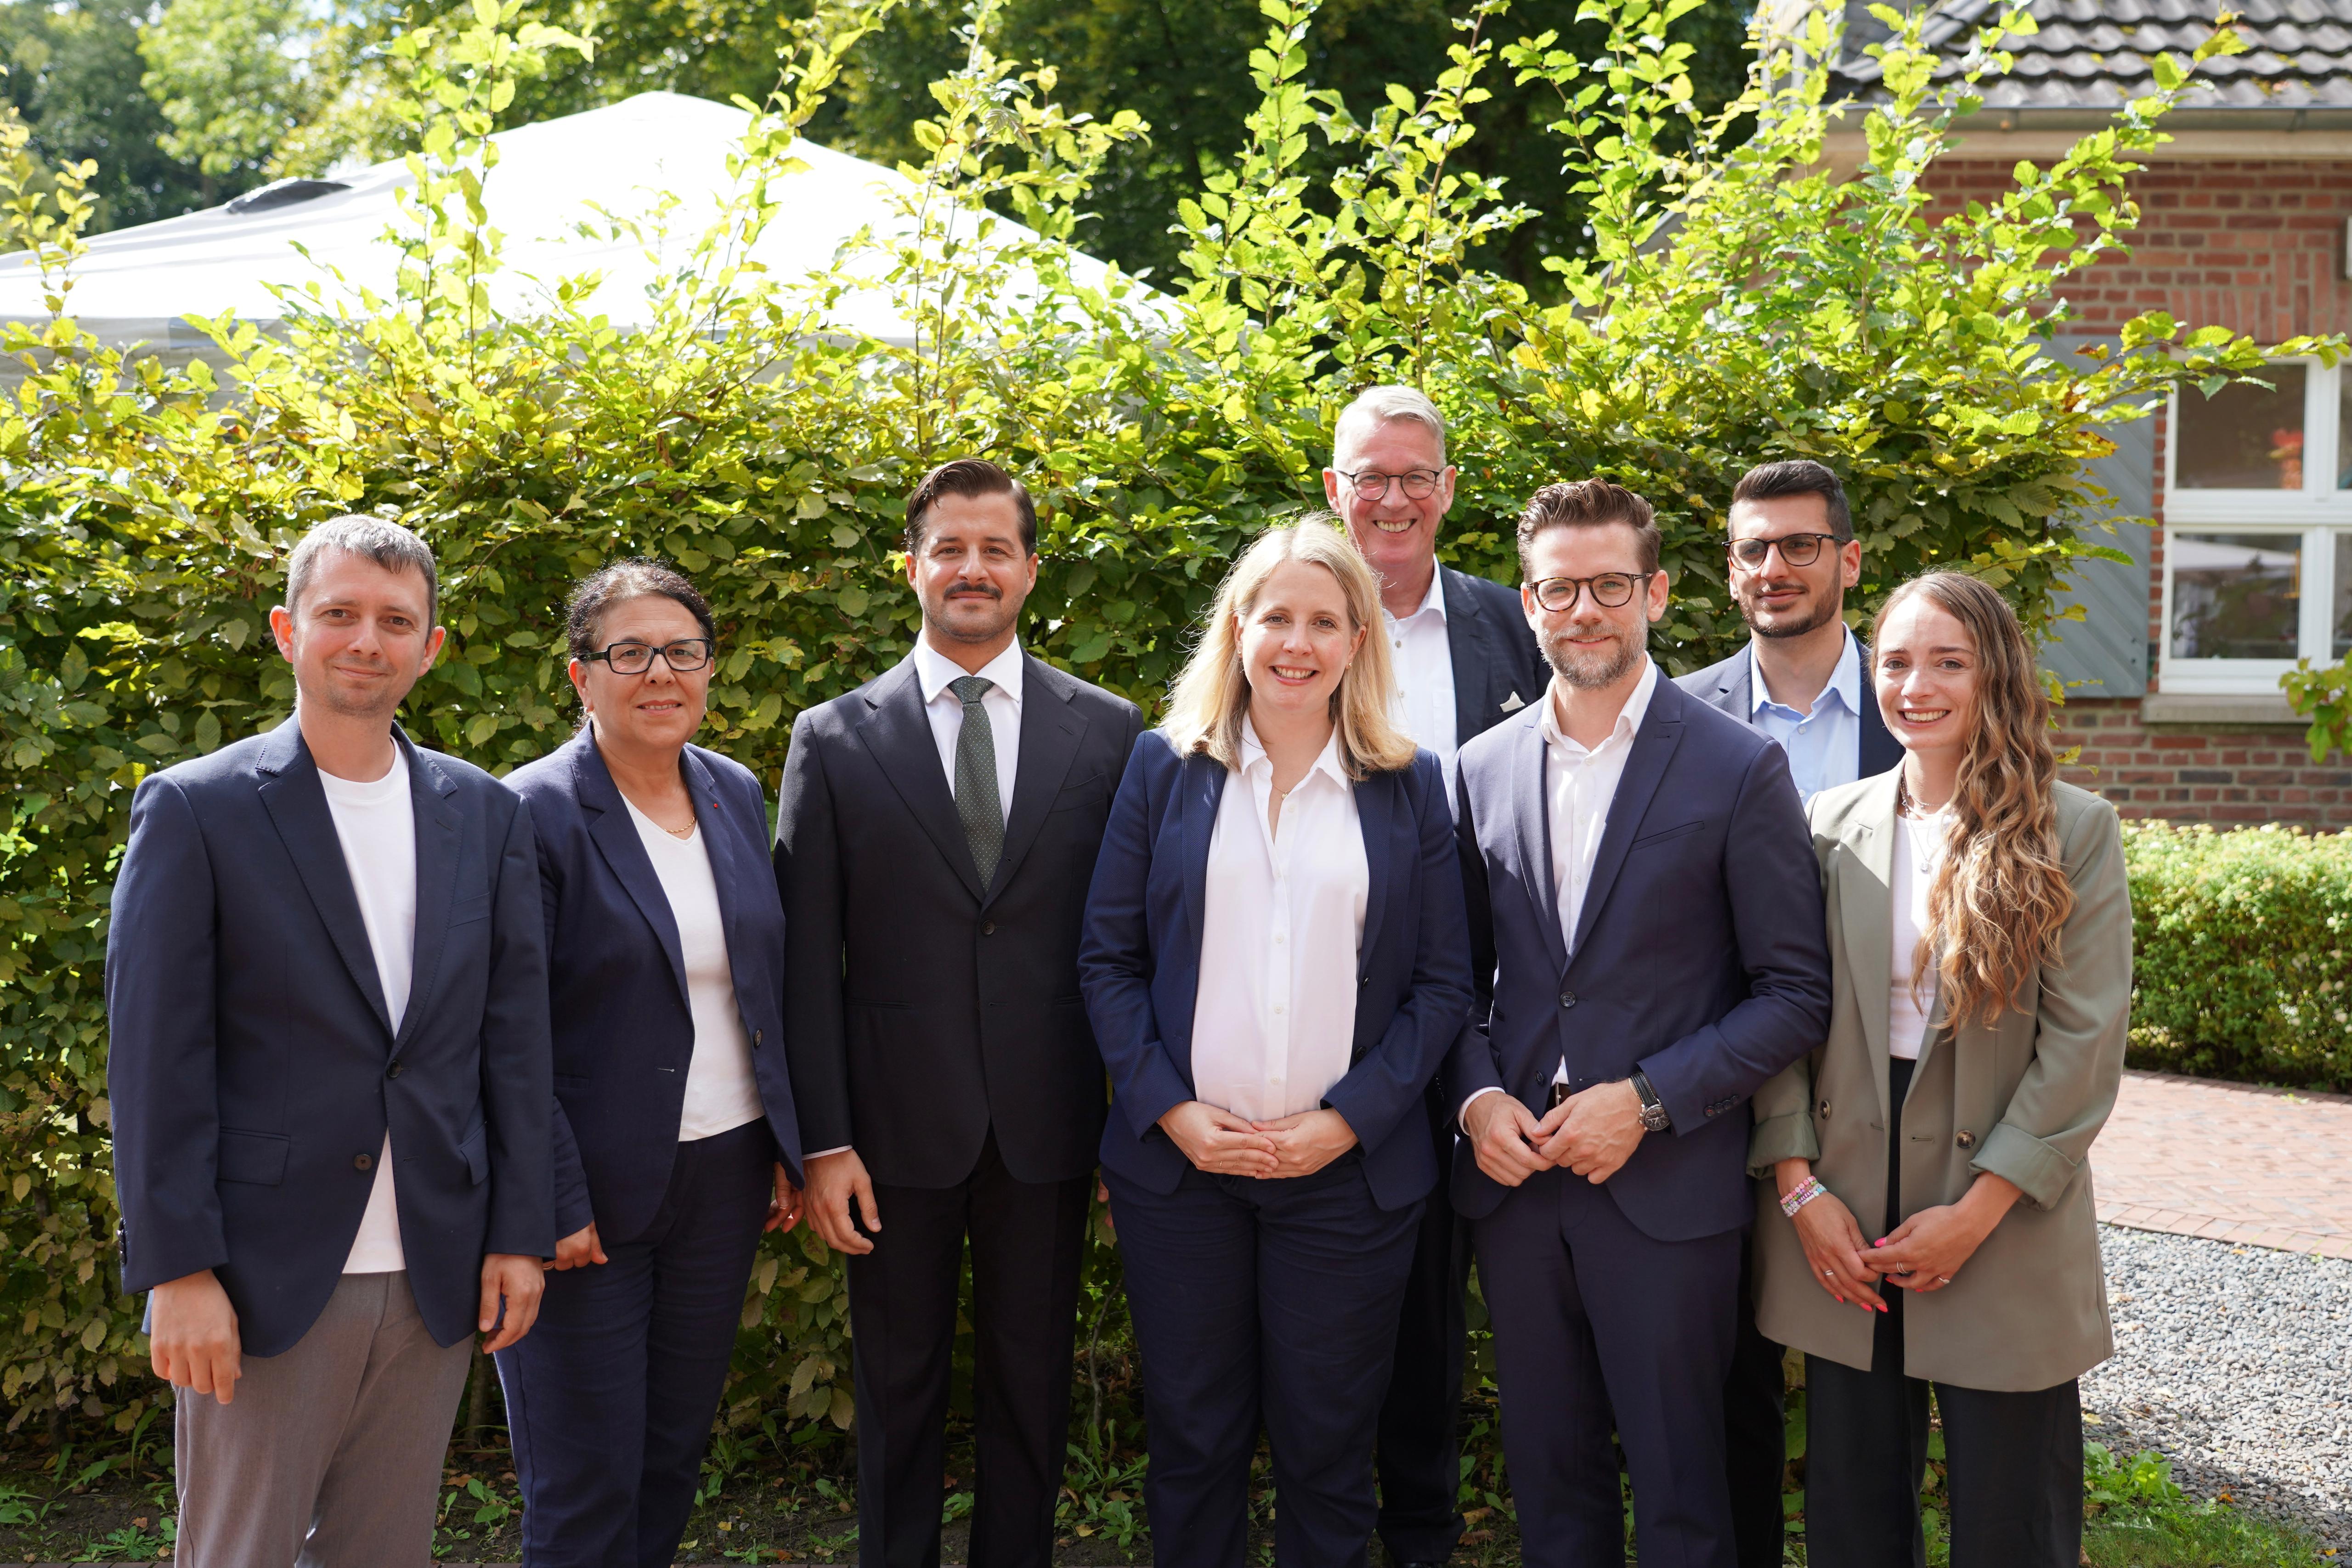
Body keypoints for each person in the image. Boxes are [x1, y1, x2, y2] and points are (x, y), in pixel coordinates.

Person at [105, 515, 554, 1568]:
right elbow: (154, 1059)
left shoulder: (484, 815)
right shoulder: (197, 809)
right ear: (286, 630)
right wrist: (178, 1270)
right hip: (263, 1274)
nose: (367, 640)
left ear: (430, 646)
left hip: (436, 1268)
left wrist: (519, 1233)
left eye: (396, 621)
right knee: (239, 1553)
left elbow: (514, 1043)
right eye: (340, 614)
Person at [1447, 480, 1831, 1568]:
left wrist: (1650, 1101)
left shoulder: (1735, 766)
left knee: (1682, 1497)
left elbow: (1795, 992)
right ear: (1527, 604)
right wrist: (1476, 1100)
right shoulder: (1479, 771)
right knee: (1550, 1489)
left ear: (1655, 593)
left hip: (1668, 1197)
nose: (1585, 611)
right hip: (1517, 1195)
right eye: (1559, 589)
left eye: (1609, 585)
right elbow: (1450, 977)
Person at [1079, 518, 1473, 1568]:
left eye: (1323, 621)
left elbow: (1441, 988)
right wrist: (1171, 1111)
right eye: (1275, 617)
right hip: (1183, 1175)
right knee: (1195, 1441)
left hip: (1345, 1184)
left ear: (1357, 640)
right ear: (1237, 630)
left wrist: (1346, 1123)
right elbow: (1106, 962)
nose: (1296, 643)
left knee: (1327, 1450)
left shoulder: (1408, 783)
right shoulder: (1163, 769)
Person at [776, 458, 1144, 1568]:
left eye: (995, 548)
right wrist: (823, 1142)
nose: (972, 568)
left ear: (1031, 570)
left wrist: (1127, 1127)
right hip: (889, 1135)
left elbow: (1130, 945)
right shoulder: (832, 739)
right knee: (896, 1390)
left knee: (1033, 1386)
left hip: (1049, 1127)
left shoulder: (1111, 731)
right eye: (950, 548)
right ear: (912, 568)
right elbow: (804, 962)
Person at [1747, 570, 2131, 1568]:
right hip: (1847, 1210)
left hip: (1999, 1202)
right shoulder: (1825, 822)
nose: (1915, 685)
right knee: (1851, 1513)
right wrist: (1798, 1190)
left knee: (2011, 1523)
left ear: (1993, 674)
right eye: (1895, 661)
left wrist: (1976, 1212)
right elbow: (1780, 1014)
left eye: (1946, 662)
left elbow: (2083, 1043)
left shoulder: (2071, 829)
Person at [496, 559, 808, 1568]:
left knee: (670, 1457)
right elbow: (509, 1028)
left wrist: (780, 1140)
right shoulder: (531, 814)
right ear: (581, 676)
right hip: (587, 1198)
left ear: (709, 670)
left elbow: (758, 987)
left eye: (682, 651)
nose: (659, 673)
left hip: (720, 1180)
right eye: (628, 653)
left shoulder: (731, 790)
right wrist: (550, 1192)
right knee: (584, 1483)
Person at [1322, 385, 1546, 1568]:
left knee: (1437, 1297)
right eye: (1372, 476)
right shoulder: (1292, 619)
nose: (1394, 497)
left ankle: (1418, 1531)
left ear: (1449, 490)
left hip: (1481, 1021)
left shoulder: (1511, 627)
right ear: (1334, 492)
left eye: (1416, 475)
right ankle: (1325, 1518)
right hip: (1317, 1017)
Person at [1672, 457, 1901, 1568]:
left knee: (1885, 1385)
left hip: (1891, 1101)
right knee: (1732, 1386)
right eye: (1752, 548)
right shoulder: (1674, 719)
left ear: (1849, 560)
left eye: (1800, 544)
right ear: (1727, 571)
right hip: (1726, 1102)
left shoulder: (1922, 709)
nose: (1775, 567)